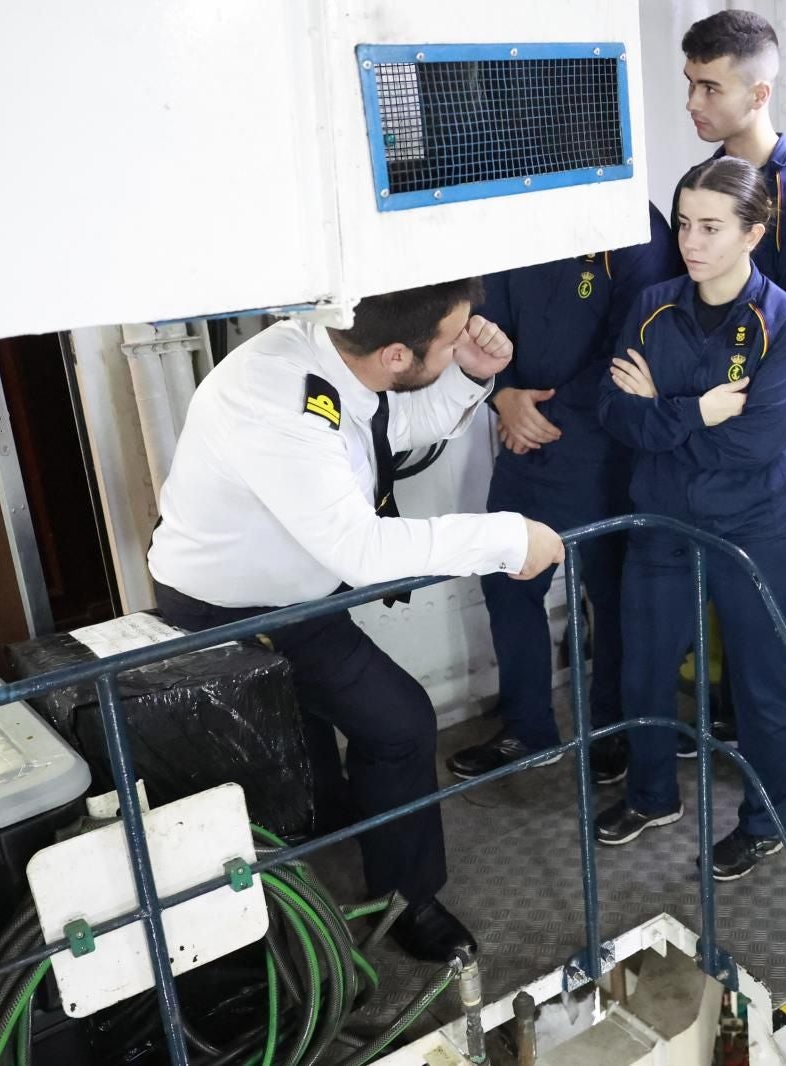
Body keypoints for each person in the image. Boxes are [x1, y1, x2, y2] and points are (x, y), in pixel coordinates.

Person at [147, 280, 563, 963]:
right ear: (397, 354)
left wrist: (467, 376)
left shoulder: (334, 353)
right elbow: (363, 550)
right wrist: (510, 539)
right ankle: (382, 903)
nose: (469, 336)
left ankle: (395, 884)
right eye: (455, 335)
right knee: (390, 727)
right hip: (220, 611)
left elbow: (392, 429)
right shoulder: (278, 400)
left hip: (296, 596)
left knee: (348, 734)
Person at [594, 157, 786, 881]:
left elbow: (754, 446)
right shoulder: (655, 303)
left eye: (711, 228)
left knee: (759, 682)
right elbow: (613, 413)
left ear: (753, 232)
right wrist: (696, 410)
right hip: (660, 521)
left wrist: (660, 406)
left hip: (752, 528)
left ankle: (765, 816)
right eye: (685, 224)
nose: (691, 241)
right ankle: (653, 794)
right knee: (644, 669)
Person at [446, 204, 681, 786]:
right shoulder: (516, 215)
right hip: (522, 438)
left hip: (607, 444)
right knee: (505, 580)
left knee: (609, 590)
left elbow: (637, 341)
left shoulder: (633, 224)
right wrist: (501, 394)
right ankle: (528, 728)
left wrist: (536, 411)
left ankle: (614, 730)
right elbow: (481, 319)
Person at [674, 11, 786, 776]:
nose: (694, 102)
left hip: (782, 437)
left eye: (710, 86)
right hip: (712, 435)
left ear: (759, 90)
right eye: (689, 84)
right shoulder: (703, 185)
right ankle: (754, 723)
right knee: (738, 591)